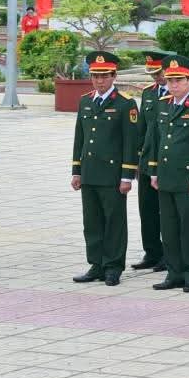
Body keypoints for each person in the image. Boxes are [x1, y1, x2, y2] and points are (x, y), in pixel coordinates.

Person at [144, 54, 189, 293]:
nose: (173, 84)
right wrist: (154, 171)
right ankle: (174, 272)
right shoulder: (163, 104)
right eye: (170, 80)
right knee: (170, 228)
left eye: (179, 80)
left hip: (188, 179)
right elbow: (155, 140)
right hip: (166, 177)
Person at [69, 49, 138, 286]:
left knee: (114, 222)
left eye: (104, 75)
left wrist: (127, 175)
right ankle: (96, 264)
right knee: (93, 221)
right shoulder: (86, 101)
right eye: (95, 75)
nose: (99, 80)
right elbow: (80, 137)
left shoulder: (125, 104)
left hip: (112, 175)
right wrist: (76, 170)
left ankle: (113, 266)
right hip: (89, 172)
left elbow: (131, 143)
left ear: (114, 76)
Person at [131, 52, 167, 271]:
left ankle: (168, 254)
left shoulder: (181, 94)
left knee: (166, 211)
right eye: (153, 74)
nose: (157, 78)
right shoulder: (149, 93)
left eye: (159, 72)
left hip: (167, 160)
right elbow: (142, 128)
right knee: (147, 209)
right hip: (147, 159)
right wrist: (137, 158)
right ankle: (151, 252)